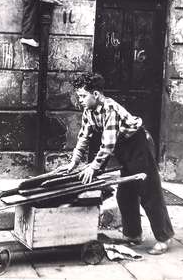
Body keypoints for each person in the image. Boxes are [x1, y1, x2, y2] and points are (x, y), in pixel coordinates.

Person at [57, 72, 174, 255]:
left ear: (95, 94)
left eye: (82, 96)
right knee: (125, 194)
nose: (79, 100)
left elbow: (108, 144)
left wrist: (94, 167)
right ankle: (133, 235)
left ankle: (164, 237)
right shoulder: (89, 111)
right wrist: (74, 162)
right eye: (79, 96)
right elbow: (83, 138)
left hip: (138, 144)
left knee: (148, 191)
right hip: (123, 148)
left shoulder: (109, 109)